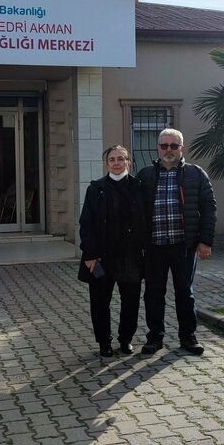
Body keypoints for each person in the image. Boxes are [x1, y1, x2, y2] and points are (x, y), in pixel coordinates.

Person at [137, 128, 217, 356]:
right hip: (154, 246)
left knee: (184, 292)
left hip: (185, 246)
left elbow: (209, 208)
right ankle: (154, 338)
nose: (169, 150)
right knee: (153, 293)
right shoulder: (146, 175)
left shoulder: (196, 174)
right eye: (164, 146)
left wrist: (205, 241)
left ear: (181, 148)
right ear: (158, 148)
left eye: (174, 145)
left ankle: (188, 337)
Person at [78, 145, 145, 358]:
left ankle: (125, 340)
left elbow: (146, 222)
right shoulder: (95, 189)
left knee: (131, 302)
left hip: (130, 257)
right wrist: (89, 255)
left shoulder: (139, 187)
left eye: (121, 159)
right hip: (100, 257)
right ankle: (103, 342)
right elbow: (85, 224)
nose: (116, 163)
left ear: (128, 162)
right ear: (106, 164)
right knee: (99, 304)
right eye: (112, 159)